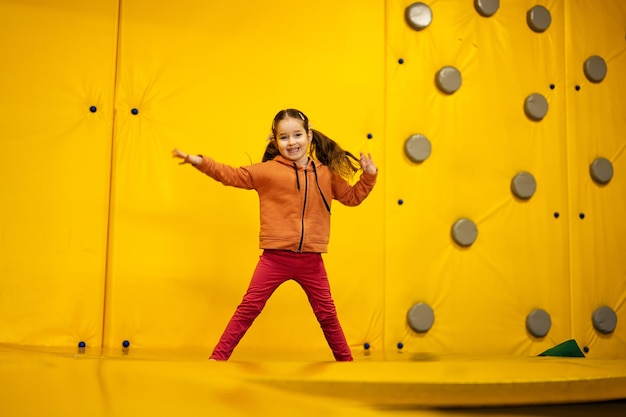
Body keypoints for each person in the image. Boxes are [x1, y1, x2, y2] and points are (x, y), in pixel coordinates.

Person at [172, 109, 378, 361]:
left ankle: (347, 362)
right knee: (249, 308)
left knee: (327, 314)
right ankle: (217, 358)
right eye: (284, 137)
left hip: (311, 261)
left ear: (309, 136)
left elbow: (352, 197)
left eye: (297, 135)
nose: (292, 142)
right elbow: (231, 175)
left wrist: (369, 175)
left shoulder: (325, 173)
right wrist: (199, 161)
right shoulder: (267, 171)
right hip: (274, 259)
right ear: (275, 141)